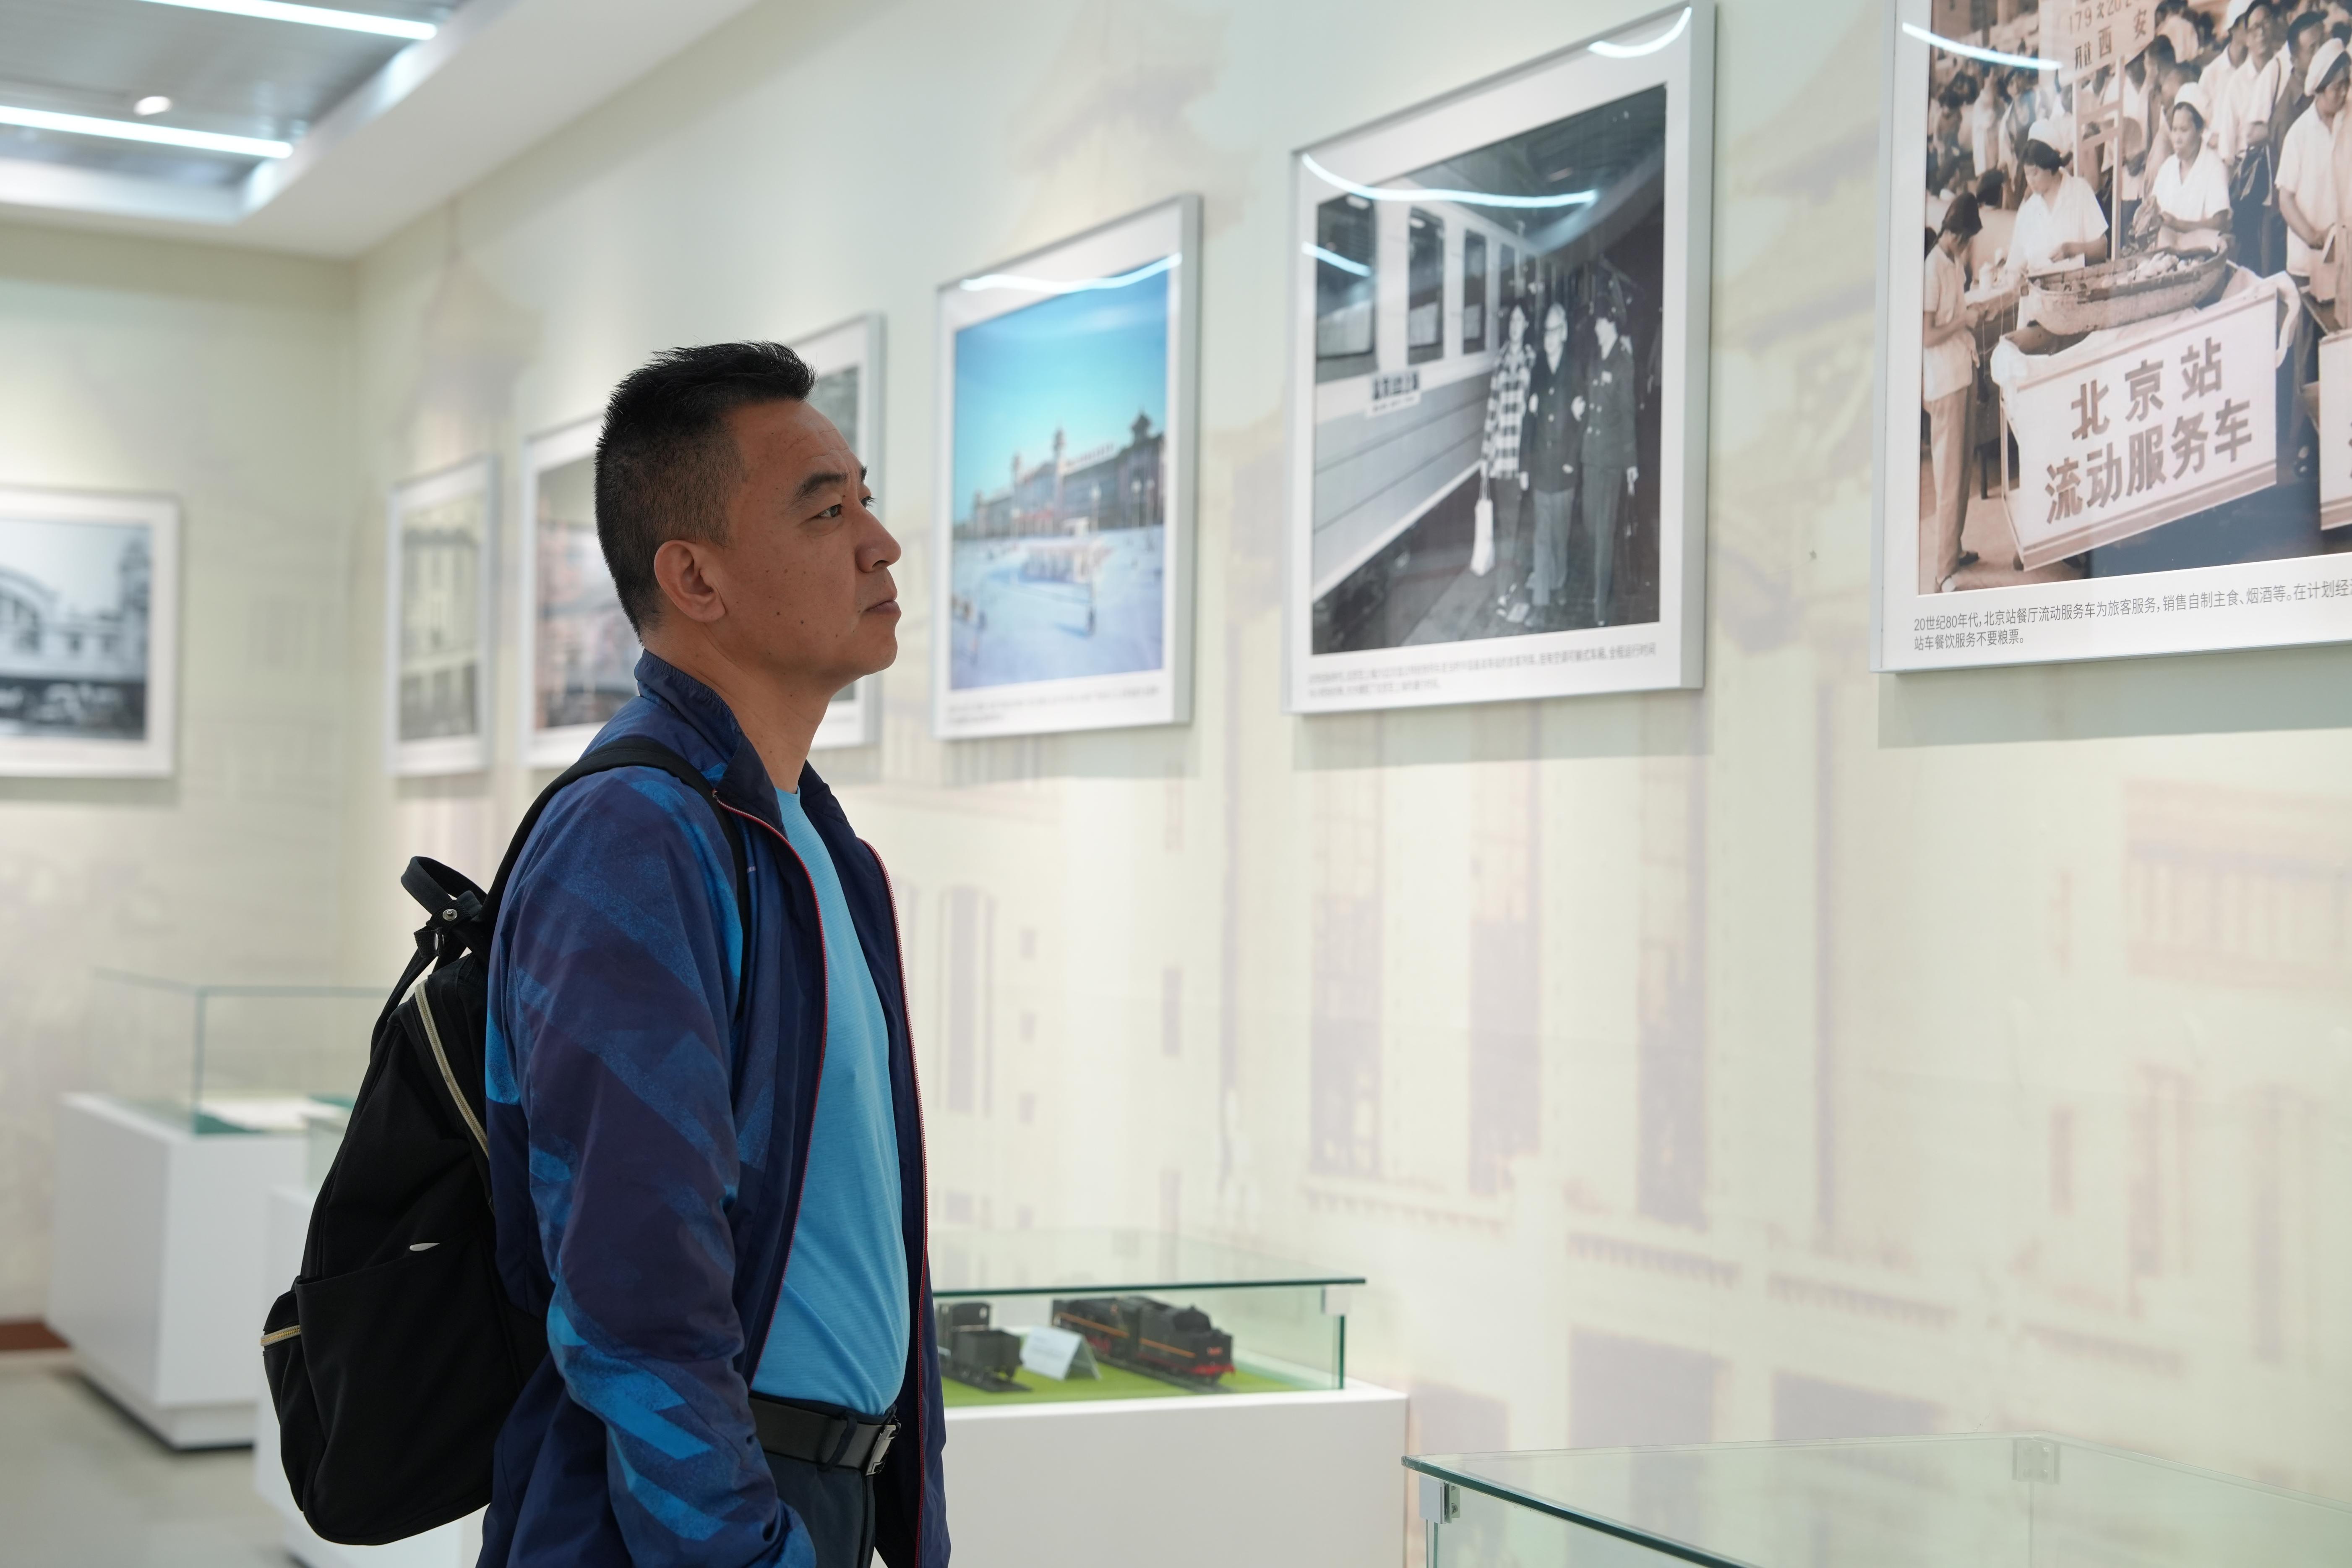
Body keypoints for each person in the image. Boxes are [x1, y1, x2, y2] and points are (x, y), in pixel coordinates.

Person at [482, 342, 946, 1568]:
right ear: (693, 576)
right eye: (827, 511)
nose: (881, 543)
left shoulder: (812, 840)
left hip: (818, 1495)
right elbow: (633, 1286)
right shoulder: (634, 837)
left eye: (865, 499)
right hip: (696, 1520)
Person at [1923, 195, 1982, 594]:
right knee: (1948, 477)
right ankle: (1943, 571)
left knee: (1962, 471)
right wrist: (1963, 320)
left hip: (1962, 370)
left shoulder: (1953, 262)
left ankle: (1954, 549)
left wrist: (1970, 317)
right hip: (1944, 381)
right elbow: (1927, 336)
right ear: (1959, 236)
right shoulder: (1932, 269)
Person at [1572, 311, 1640, 626]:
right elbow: (1589, 400)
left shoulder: (1623, 363)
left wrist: (1631, 462)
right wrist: (1579, 407)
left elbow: (1627, 414)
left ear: (1612, 325)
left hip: (1612, 461)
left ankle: (1601, 603)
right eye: (1596, 322)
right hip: (1591, 457)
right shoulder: (1594, 359)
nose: (1596, 327)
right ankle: (1603, 585)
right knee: (1590, 526)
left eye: (1601, 322)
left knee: (1604, 532)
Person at [1520, 300, 1578, 625]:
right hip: (1542, 468)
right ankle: (1541, 603)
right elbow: (1529, 422)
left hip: (1564, 471)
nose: (1550, 337)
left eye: (1555, 331)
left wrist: (1572, 460)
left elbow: (1582, 421)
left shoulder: (1575, 368)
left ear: (1565, 332)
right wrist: (1525, 466)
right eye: (1546, 332)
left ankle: (1560, 582)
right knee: (1542, 536)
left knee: (1559, 535)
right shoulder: (1538, 370)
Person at [2279, 37, 2350, 297]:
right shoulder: (2299, 135)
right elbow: (2285, 199)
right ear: (2319, 90)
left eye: (2347, 84)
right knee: (2310, 318)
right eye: (2337, 87)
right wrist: (2313, 237)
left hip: (2347, 258)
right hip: (2307, 261)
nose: (2344, 93)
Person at [1479, 303, 1533, 596]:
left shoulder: (1532, 359)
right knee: (1506, 524)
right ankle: (1506, 585)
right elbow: (1492, 410)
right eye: (1512, 320)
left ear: (1526, 325)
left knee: (1516, 524)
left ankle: (1508, 583)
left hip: (1521, 457)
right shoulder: (1499, 361)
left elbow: (1534, 414)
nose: (1515, 325)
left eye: (1519, 320)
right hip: (1502, 457)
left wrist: (1530, 462)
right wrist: (1485, 456)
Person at [2013, 124, 2110, 274]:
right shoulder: (2028, 209)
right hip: (2038, 287)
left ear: (2050, 166)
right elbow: (2015, 263)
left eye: (2035, 173)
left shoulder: (2079, 191)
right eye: (2027, 174)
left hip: (2078, 283)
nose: (2030, 181)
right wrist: (2016, 273)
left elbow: (2102, 249)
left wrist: (2072, 250)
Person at [2149, 83, 2235, 248]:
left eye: (2184, 130)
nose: (2177, 138)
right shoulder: (2167, 168)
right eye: (2174, 130)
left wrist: (2178, 224)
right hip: (2166, 253)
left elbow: (2220, 222)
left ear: (2200, 130)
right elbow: (2154, 209)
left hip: (2202, 254)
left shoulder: (2214, 167)